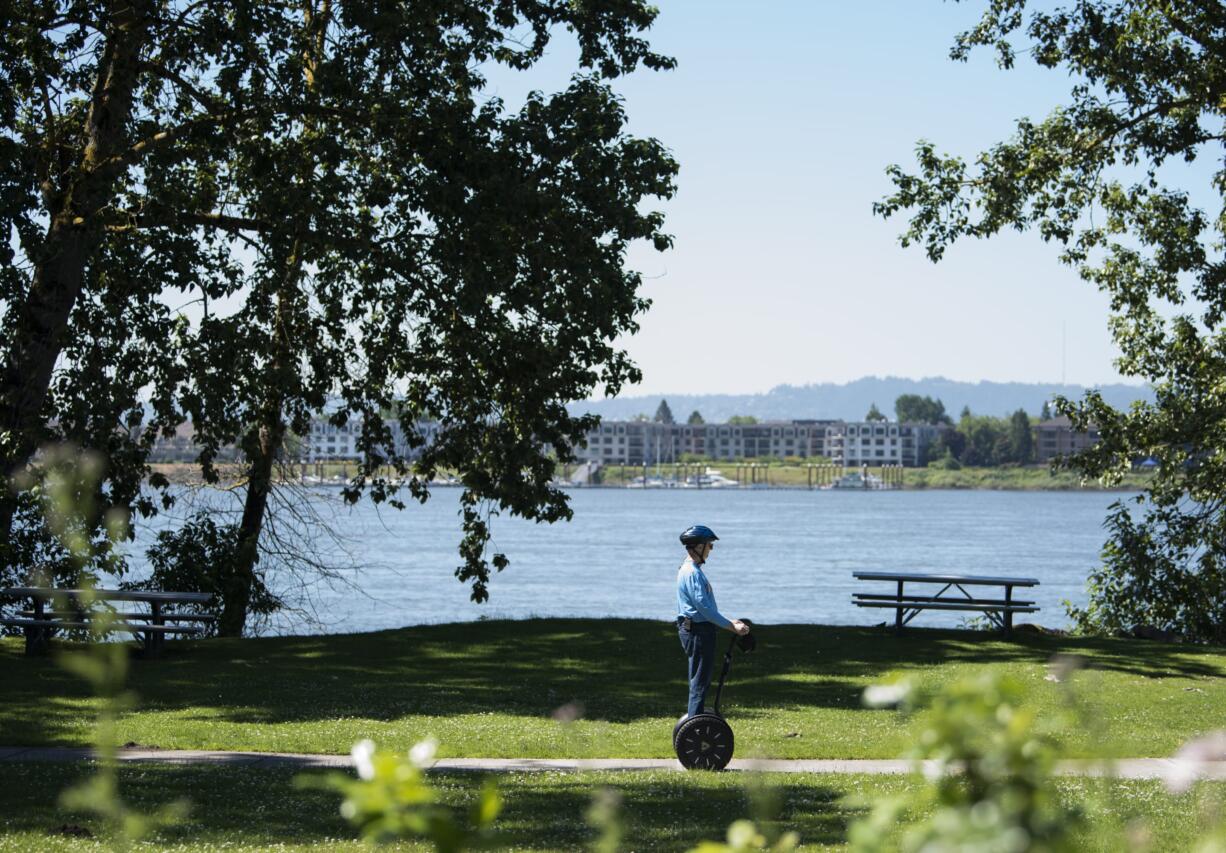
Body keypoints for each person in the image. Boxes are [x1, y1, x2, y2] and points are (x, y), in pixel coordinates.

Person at [676, 524, 749, 718]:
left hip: (698, 628)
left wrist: (728, 620)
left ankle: (694, 721)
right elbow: (704, 609)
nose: (711, 550)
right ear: (698, 547)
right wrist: (731, 626)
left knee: (700, 680)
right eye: (709, 546)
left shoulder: (690, 570)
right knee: (700, 682)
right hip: (698, 631)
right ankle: (695, 727)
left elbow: (706, 608)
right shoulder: (692, 573)